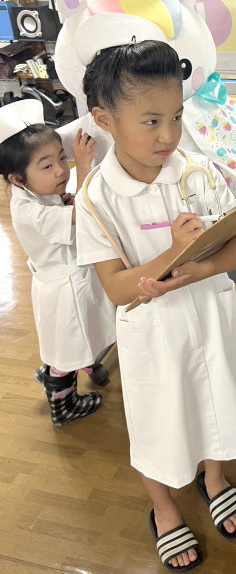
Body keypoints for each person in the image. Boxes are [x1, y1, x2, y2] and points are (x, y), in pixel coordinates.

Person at [75, 40, 236, 571]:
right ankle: (163, 507)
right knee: (158, 419)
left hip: (210, 314)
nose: (168, 135)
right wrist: (174, 253)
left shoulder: (198, 171)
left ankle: (214, 477)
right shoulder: (95, 199)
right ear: (105, 120)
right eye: (151, 121)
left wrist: (200, 269)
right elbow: (117, 288)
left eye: (177, 117)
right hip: (154, 333)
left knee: (216, 399)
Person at [0, 100, 115, 425]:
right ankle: (63, 404)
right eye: (47, 166)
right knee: (69, 345)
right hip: (65, 290)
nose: (62, 171)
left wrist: (62, 198)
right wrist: (84, 165)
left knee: (73, 338)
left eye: (62, 159)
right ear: (18, 179)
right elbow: (85, 212)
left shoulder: (35, 195)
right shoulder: (30, 212)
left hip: (63, 282)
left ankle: (68, 366)